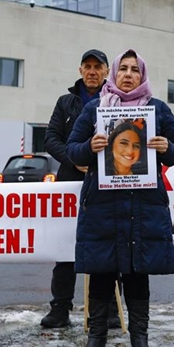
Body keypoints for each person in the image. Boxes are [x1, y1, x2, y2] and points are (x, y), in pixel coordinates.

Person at [67, 49, 174, 347]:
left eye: (135, 69)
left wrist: (167, 147)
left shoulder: (157, 110)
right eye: (124, 69)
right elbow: (72, 151)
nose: (129, 74)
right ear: (114, 74)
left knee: (137, 272)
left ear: (142, 75)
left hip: (143, 204)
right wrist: (89, 147)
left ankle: (140, 338)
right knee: (102, 272)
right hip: (103, 205)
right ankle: (96, 338)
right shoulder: (95, 109)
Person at [41, 49, 124, 329]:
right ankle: (60, 308)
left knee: (108, 248)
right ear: (80, 70)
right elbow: (51, 139)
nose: (92, 71)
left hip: (106, 183)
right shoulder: (65, 103)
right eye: (87, 66)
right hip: (70, 182)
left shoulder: (118, 101)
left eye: (97, 67)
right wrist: (75, 160)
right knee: (65, 249)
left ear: (105, 72)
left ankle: (110, 310)